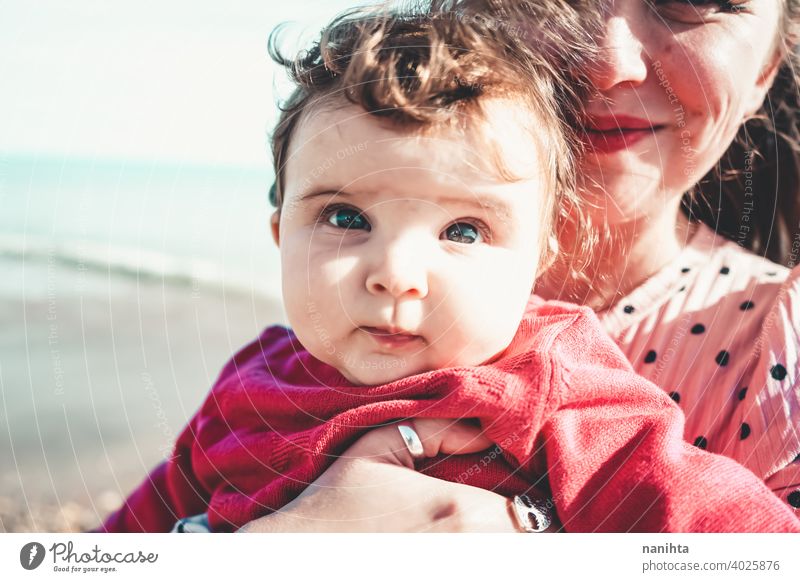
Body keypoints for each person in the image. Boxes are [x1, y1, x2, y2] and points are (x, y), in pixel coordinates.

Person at [99, 6, 800, 533]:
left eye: (462, 229)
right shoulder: (255, 377)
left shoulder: (554, 383)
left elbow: (742, 538)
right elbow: (127, 537)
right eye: (346, 218)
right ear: (280, 235)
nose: (396, 274)